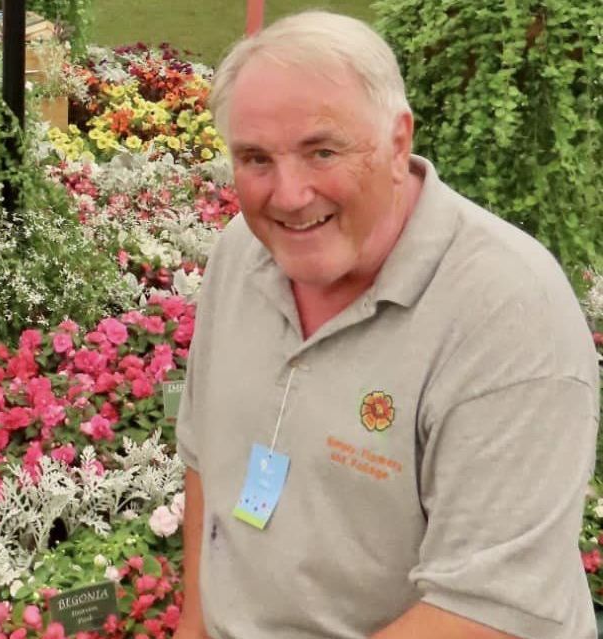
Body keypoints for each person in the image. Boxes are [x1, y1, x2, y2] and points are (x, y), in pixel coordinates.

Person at [174, 10, 599, 639]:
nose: (288, 195)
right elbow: (206, 457)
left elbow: (487, 614)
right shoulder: (243, 252)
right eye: (256, 159)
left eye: (322, 151)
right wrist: (194, 625)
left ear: (398, 143)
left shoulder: (508, 312)